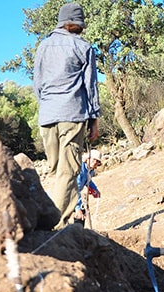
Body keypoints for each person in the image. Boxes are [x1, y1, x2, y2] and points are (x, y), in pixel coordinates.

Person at [33, 2, 101, 229]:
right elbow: (91, 87)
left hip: (47, 116)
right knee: (68, 172)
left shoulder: (43, 46)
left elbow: (37, 84)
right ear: (76, 24)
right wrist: (94, 120)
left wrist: (47, 105)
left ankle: (53, 221)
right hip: (72, 114)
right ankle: (56, 227)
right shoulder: (83, 47)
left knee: (56, 171)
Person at [74, 149, 102, 222]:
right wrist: (77, 208)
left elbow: (88, 181)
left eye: (98, 161)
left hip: (75, 195)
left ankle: (78, 228)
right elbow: (75, 190)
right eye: (94, 160)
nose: (96, 162)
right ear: (87, 159)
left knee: (82, 211)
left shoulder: (91, 170)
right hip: (68, 195)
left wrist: (95, 190)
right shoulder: (79, 168)